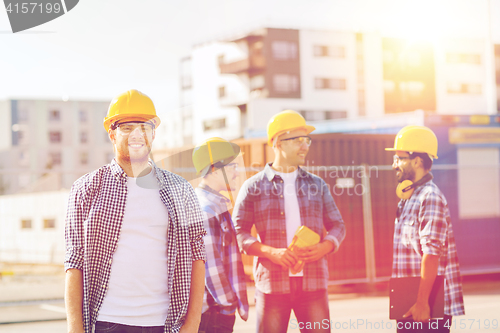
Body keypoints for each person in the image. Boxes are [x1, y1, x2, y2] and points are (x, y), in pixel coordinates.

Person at [64, 89, 207, 333]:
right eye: (127, 127)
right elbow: (73, 262)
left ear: (154, 133)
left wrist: (192, 324)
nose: (137, 134)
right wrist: (75, 328)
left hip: (164, 323)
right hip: (106, 322)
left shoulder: (181, 190)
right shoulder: (86, 189)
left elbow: (198, 256)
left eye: (145, 127)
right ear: (112, 133)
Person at [232, 110, 346, 333]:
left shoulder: (318, 185)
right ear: (277, 142)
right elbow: (238, 232)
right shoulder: (253, 187)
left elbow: (338, 226)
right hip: (272, 287)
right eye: (298, 140)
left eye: (307, 140)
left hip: (313, 284)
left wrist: (325, 246)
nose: (305, 146)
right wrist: (270, 252)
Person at [386, 125, 465, 332]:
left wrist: (422, 303)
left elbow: (431, 254)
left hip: (427, 304)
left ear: (417, 161)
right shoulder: (408, 197)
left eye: (399, 158)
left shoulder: (429, 197)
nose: (394, 164)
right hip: (408, 300)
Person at [192, 138, 249, 333]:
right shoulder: (206, 209)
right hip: (213, 313)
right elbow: (210, 266)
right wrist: (228, 304)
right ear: (215, 169)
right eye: (233, 166)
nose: (236, 173)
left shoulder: (214, 204)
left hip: (214, 310)